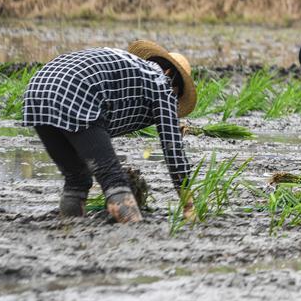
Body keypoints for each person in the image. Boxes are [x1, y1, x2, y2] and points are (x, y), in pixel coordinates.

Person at [22, 41, 197, 223]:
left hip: (37, 90)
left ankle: (68, 228)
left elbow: (97, 133)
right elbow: (174, 154)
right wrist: (189, 207)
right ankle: (134, 232)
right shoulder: (162, 83)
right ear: (170, 75)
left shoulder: (135, 70)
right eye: (177, 96)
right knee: (112, 178)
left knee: (77, 179)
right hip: (76, 91)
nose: (175, 102)